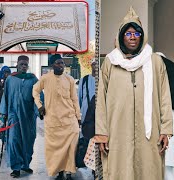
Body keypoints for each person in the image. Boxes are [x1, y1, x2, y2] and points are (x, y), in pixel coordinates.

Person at [95, 7, 173, 180]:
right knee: (119, 171)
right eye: (128, 33)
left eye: (136, 34)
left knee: (149, 170)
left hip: (150, 134)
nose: (132, 37)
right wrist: (102, 133)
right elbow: (101, 100)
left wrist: (166, 129)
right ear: (121, 36)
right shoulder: (110, 62)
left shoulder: (155, 61)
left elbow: (165, 97)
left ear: (142, 36)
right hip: (117, 132)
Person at [33, 54, 81, 180]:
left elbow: (74, 99)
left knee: (71, 146)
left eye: (62, 63)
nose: (61, 66)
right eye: (58, 63)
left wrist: (78, 116)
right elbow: (35, 91)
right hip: (53, 120)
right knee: (55, 149)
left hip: (69, 119)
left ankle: (69, 171)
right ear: (52, 65)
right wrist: (39, 105)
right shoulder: (45, 78)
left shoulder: (69, 79)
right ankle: (59, 172)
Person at [0, 55, 39, 178]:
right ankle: (16, 167)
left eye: (25, 65)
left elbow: (38, 96)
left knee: (28, 140)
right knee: (14, 140)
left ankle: (25, 165)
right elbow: (5, 96)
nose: (23, 66)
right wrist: (4, 113)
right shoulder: (10, 79)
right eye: (21, 64)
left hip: (28, 117)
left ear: (28, 66)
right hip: (13, 115)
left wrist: (40, 111)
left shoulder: (33, 79)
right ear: (17, 64)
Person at [78, 59, 96, 135]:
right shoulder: (84, 80)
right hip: (85, 115)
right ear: (91, 65)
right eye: (94, 64)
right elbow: (79, 99)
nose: (96, 66)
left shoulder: (103, 79)